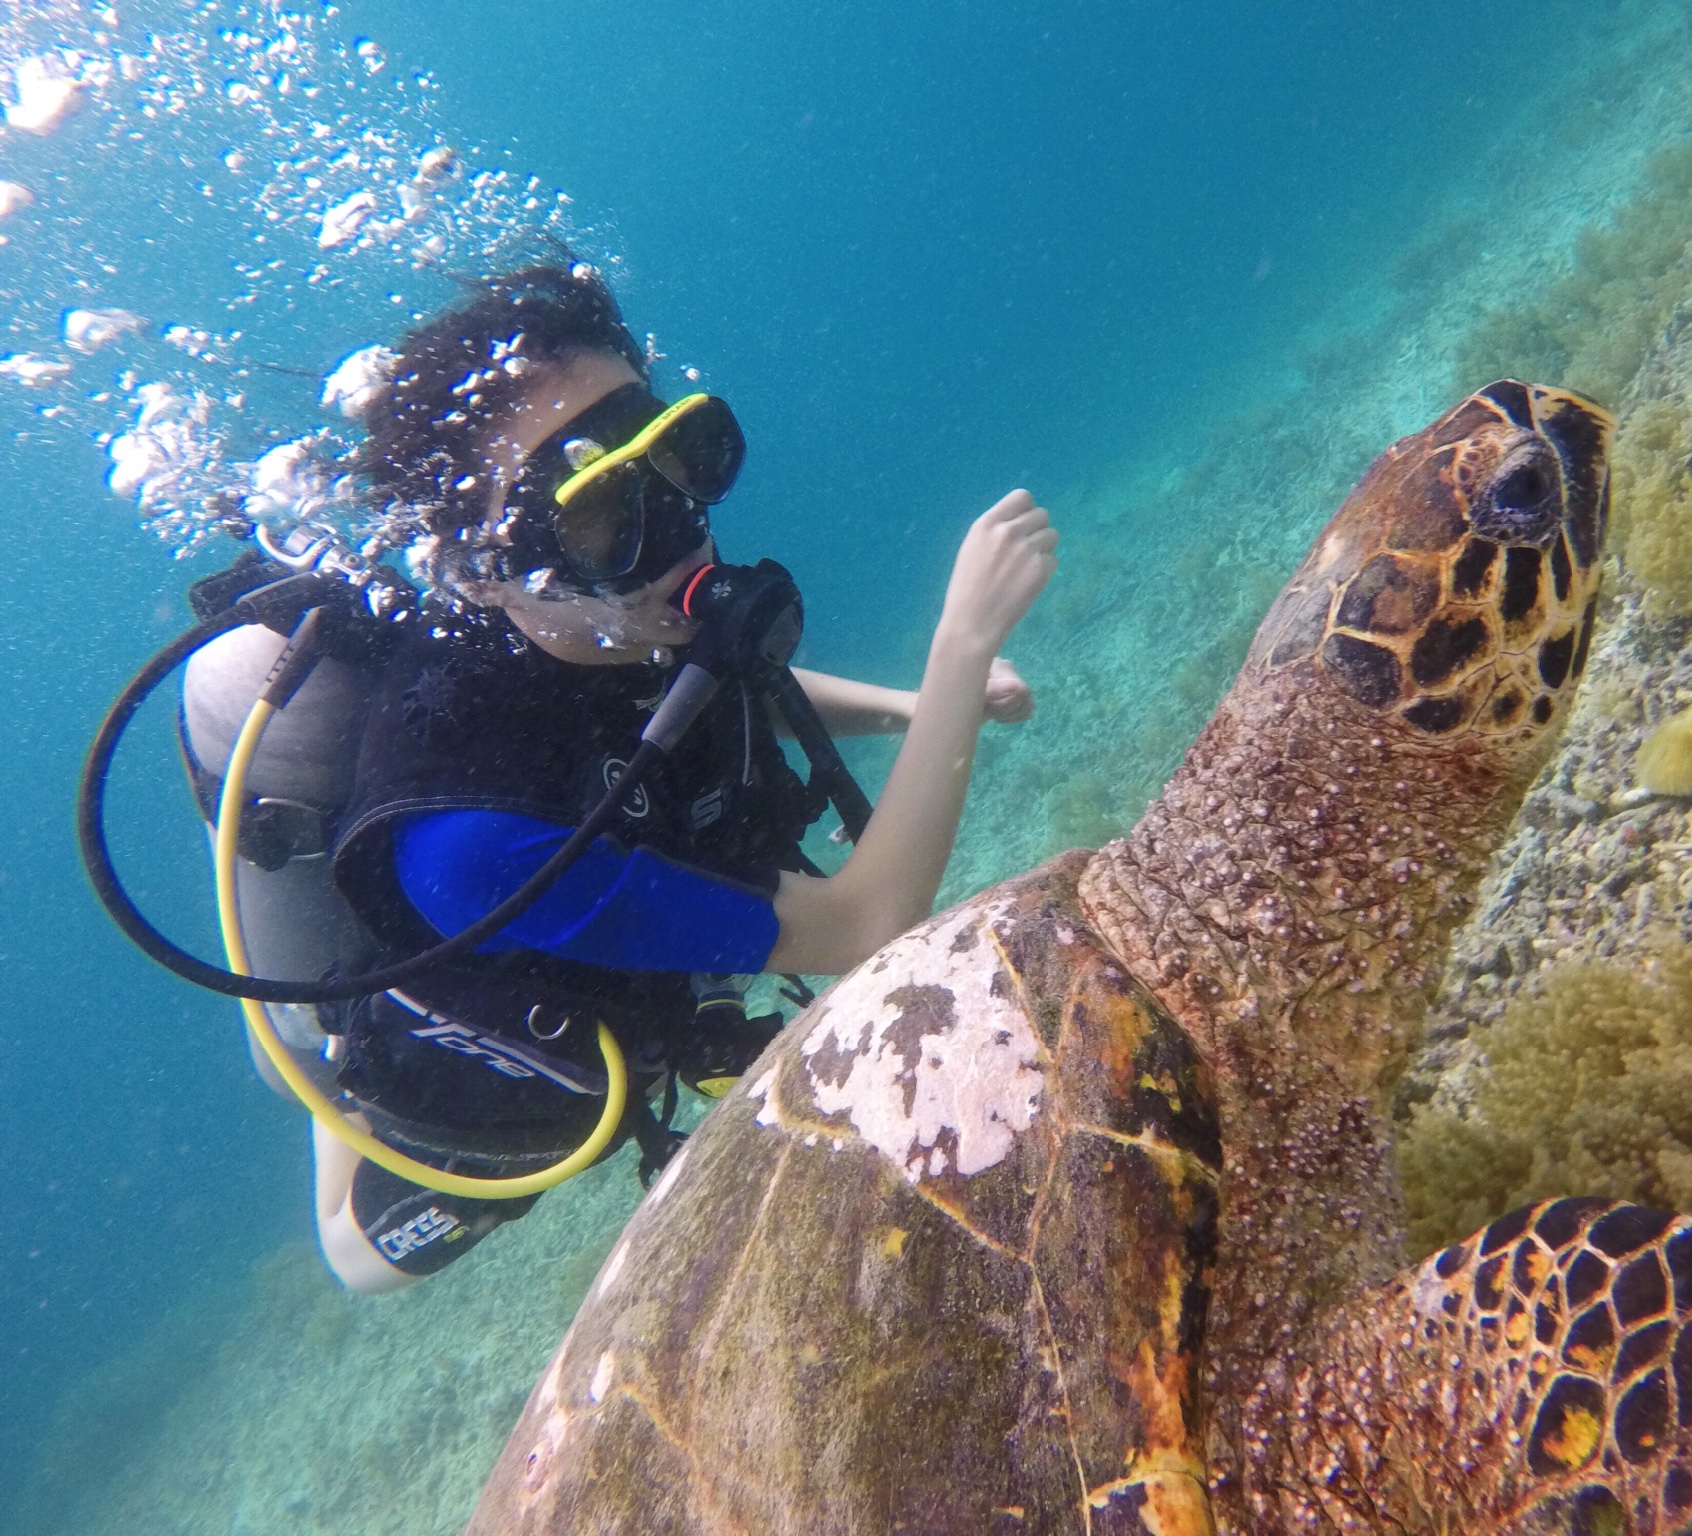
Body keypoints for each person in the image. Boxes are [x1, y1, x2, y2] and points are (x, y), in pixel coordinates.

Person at [185, 265, 1056, 1292]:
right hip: (487, 984)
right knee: (365, 1251)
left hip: (605, 860)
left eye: (679, 454)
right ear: (477, 573)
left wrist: (910, 708)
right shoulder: (470, 848)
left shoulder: (602, 612)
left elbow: (712, 686)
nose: (674, 523)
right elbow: (867, 923)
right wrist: (956, 651)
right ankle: (318, 1034)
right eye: (599, 510)